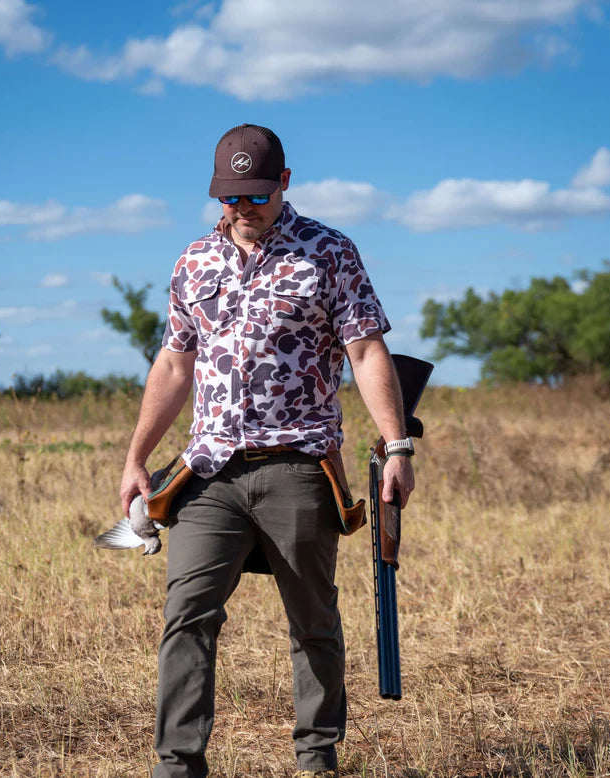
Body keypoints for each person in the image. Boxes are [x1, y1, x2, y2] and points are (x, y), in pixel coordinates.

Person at [119, 124, 415, 778]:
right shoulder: (192, 261)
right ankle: (178, 765)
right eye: (229, 197)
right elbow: (173, 366)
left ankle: (316, 759)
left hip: (300, 467)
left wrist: (397, 446)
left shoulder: (329, 253)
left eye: (254, 194)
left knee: (313, 621)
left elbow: (366, 351)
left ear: (283, 182)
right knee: (187, 615)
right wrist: (137, 457)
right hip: (208, 472)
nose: (241, 209)